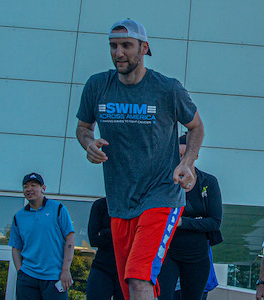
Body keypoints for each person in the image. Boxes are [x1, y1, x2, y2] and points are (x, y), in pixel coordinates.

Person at [75, 18, 205, 300]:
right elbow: (83, 128)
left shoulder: (167, 89)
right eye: (113, 46)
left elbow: (196, 126)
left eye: (126, 46)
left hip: (161, 196)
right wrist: (89, 143)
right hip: (120, 202)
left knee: (138, 278)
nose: (118, 53)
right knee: (129, 288)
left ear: (144, 48)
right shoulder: (98, 86)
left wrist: (187, 162)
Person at [158, 134, 223, 300]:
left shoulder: (208, 182)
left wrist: (181, 222)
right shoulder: (165, 183)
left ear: (195, 156)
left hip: (197, 256)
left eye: (184, 156)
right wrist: (197, 221)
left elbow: (214, 222)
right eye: (177, 156)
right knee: (163, 296)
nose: (181, 161)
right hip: (168, 253)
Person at [10, 172, 76, 300]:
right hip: (28, 277)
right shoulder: (19, 216)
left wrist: (66, 270)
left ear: (43, 188)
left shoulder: (58, 209)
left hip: (54, 277)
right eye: (25, 186)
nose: (29, 189)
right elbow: (16, 247)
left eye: (33, 185)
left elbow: (70, 238)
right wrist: (20, 272)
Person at [87, 197, 123, 300]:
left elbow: (131, 237)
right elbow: (93, 239)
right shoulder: (100, 205)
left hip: (125, 270)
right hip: (102, 266)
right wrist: (118, 235)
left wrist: (104, 232)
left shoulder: (133, 205)